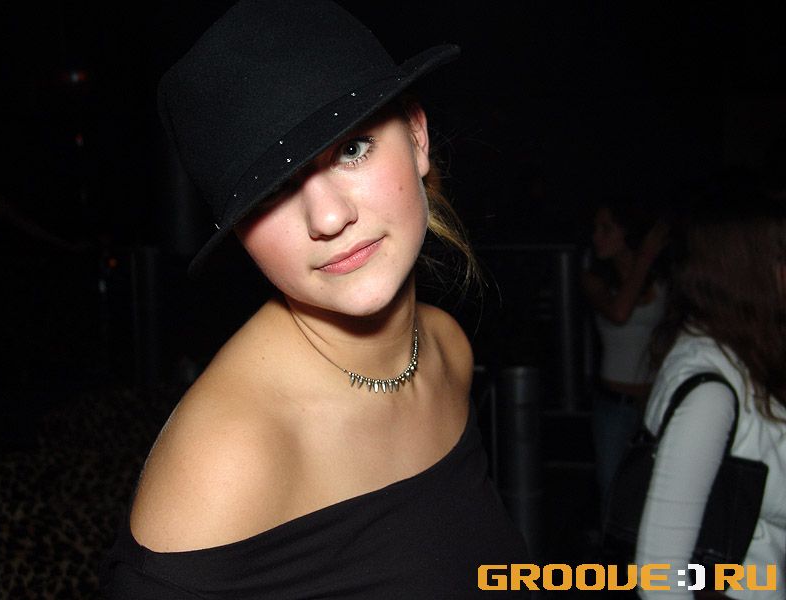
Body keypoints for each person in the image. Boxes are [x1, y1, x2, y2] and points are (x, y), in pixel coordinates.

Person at [99, 1, 531, 597]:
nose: (328, 218)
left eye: (351, 149)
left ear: (417, 135)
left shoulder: (444, 349)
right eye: (271, 192)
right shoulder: (230, 456)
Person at [635, 193, 786, 599]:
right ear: (745, 273)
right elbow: (660, 578)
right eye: (779, 258)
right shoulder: (711, 392)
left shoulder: (735, 354)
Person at [581, 197, 669, 512]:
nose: (596, 237)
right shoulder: (593, 279)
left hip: (654, 401)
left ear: (627, 232)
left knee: (656, 495)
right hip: (613, 406)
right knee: (614, 496)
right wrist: (644, 257)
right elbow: (620, 313)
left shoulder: (661, 279)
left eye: (606, 229)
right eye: (595, 229)